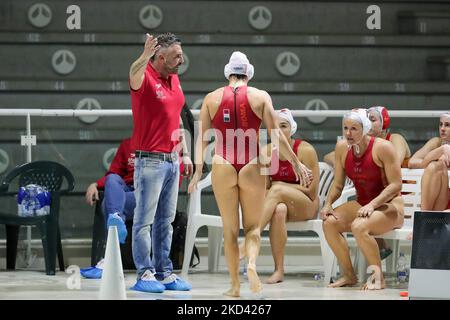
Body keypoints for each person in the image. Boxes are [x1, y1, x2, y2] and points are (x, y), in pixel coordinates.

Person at [188, 52, 312, 297]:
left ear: (228, 72)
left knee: (229, 229)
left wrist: (197, 171)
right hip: (251, 163)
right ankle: (252, 265)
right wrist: (296, 163)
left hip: (222, 162)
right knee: (253, 227)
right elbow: (276, 136)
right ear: (249, 73)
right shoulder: (260, 96)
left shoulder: (211, 98)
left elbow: (201, 139)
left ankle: (234, 285)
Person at [128, 32, 193, 293]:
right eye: (177, 55)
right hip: (149, 163)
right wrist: (144, 55)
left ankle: (164, 272)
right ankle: (144, 273)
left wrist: (185, 152)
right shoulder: (144, 78)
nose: (181, 59)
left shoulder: (175, 80)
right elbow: (132, 73)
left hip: (172, 161)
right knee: (144, 220)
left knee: (165, 221)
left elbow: (176, 118)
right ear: (161, 57)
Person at [321, 108, 404, 290]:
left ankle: (378, 277)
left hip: (390, 207)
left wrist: (373, 205)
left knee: (359, 226)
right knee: (329, 223)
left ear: (365, 128)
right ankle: (349, 275)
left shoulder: (382, 148)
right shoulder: (342, 148)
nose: (348, 133)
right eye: (345, 128)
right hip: (363, 204)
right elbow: (337, 185)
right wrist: (327, 204)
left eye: (354, 129)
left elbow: (396, 185)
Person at [259, 108, 319, 284]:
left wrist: (281, 186)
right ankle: (279, 270)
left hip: (306, 205)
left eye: (283, 126)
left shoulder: (305, 150)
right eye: (275, 127)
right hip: (280, 204)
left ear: (292, 128)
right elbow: (265, 189)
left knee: (277, 191)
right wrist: (276, 187)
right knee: (279, 209)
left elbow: (312, 192)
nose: (279, 131)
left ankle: (253, 237)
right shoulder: (267, 152)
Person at [80, 138, 135, 279]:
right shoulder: (127, 144)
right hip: (127, 190)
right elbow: (114, 172)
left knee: (107, 203)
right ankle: (117, 217)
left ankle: (108, 261)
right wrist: (96, 184)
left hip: (146, 193)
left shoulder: (160, 146)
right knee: (112, 180)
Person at [408, 112, 450, 211]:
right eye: (441, 124)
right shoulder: (436, 142)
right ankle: (425, 219)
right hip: (437, 200)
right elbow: (412, 162)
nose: (442, 129)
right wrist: (440, 151)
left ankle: (425, 221)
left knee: (436, 166)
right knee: (434, 166)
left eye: (448, 125)